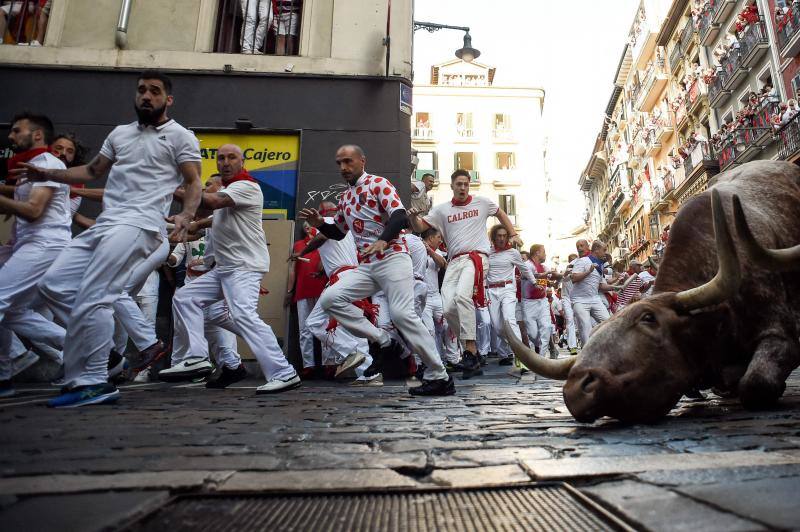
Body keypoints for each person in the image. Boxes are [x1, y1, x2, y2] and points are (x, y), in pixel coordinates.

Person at [15, 71, 203, 408]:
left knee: (96, 295)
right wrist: (47, 173)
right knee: (54, 285)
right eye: (142, 90)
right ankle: (106, 360)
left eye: (155, 91)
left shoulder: (180, 136)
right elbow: (91, 171)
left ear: (168, 99)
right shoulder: (120, 133)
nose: (146, 96)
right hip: (108, 222)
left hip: (140, 224)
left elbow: (193, 182)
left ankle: (92, 380)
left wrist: (186, 215)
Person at [300, 144, 454, 396]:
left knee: (402, 315)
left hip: (393, 258)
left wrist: (383, 240)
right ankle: (384, 341)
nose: (343, 167)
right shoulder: (345, 198)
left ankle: (439, 375)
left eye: (348, 161)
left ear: (362, 161)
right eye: (339, 163)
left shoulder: (378, 184)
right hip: (368, 266)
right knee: (330, 299)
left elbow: (399, 216)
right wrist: (319, 223)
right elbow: (337, 232)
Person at [171, 144, 300, 394]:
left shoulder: (247, 186)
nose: (225, 162)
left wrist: (166, 186)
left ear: (242, 162)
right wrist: (194, 223)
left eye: (232, 157)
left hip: (244, 266)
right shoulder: (229, 190)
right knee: (185, 298)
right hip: (225, 269)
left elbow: (211, 201)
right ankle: (197, 357)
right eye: (221, 158)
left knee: (244, 316)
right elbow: (213, 215)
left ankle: (284, 372)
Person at [409, 169, 522, 379]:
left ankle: (469, 350)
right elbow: (420, 226)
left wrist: (513, 234)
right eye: (459, 184)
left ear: (469, 185)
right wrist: (414, 217)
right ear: (452, 186)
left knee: (462, 296)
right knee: (448, 307)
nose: (462, 187)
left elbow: (500, 213)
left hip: (476, 257)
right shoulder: (441, 210)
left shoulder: (482, 202)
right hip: (454, 261)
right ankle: (473, 352)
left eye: (465, 184)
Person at [0, 112, 70, 398]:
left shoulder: (48, 164)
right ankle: (4, 377)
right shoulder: (29, 167)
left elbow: (33, 210)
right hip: (29, 244)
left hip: (45, 244)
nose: (11, 136)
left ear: (37, 134)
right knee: (12, 313)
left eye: (17, 131)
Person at [292, 200, 371, 384]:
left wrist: (302, 252)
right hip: (354, 277)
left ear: (322, 213)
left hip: (341, 280)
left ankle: (350, 351)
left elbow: (321, 238)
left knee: (314, 322)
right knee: (356, 324)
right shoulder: (348, 228)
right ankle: (369, 373)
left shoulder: (327, 223)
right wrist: (322, 271)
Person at [485, 224, 533, 366]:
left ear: (507, 237)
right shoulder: (487, 252)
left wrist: (534, 282)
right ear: (494, 237)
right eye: (499, 236)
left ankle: (521, 356)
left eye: (504, 236)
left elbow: (524, 269)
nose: (501, 238)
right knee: (498, 327)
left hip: (508, 290)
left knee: (509, 320)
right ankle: (508, 351)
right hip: (491, 291)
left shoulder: (513, 253)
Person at [286, 222, 327, 377]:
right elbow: (292, 269)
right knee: (304, 329)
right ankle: (308, 365)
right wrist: (290, 290)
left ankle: (328, 364)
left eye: (310, 223)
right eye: (304, 224)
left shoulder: (324, 241)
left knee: (325, 327)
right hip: (302, 290)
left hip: (321, 289)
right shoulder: (298, 245)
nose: (307, 226)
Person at [420, 227, 459, 368]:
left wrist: (430, 251)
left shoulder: (436, 252)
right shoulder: (416, 248)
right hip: (422, 298)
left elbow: (443, 264)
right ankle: (437, 362)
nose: (440, 241)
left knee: (449, 326)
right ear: (430, 238)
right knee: (429, 331)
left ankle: (453, 359)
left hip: (436, 296)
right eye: (438, 238)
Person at [569, 240, 613, 348]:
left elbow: (600, 286)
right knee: (585, 326)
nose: (605, 253)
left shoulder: (600, 264)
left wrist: (617, 287)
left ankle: (605, 348)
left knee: (609, 324)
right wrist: (588, 271)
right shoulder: (582, 261)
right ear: (596, 250)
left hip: (595, 299)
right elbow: (574, 278)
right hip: (579, 300)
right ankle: (586, 352)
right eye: (604, 250)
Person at [521, 244, 561, 357]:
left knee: (547, 327)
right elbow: (530, 275)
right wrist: (545, 275)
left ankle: (542, 357)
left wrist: (562, 276)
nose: (545, 254)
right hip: (529, 303)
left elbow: (552, 278)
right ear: (537, 253)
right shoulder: (527, 265)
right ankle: (545, 345)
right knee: (532, 334)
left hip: (542, 302)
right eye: (544, 252)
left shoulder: (544, 267)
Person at [560, 253, 579, 354]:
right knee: (570, 320)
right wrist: (567, 272)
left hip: (577, 299)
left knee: (579, 322)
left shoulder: (580, 271)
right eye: (571, 261)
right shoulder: (565, 272)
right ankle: (572, 346)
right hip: (566, 299)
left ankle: (578, 341)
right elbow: (563, 278)